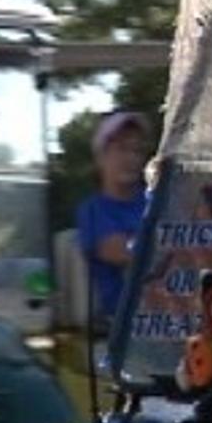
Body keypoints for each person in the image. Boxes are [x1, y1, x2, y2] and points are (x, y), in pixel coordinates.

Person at [76, 111, 151, 326]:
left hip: (169, 318)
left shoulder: (158, 203)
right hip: (119, 328)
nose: (131, 158)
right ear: (101, 158)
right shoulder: (91, 211)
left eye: (137, 150)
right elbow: (120, 252)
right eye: (121, 149)